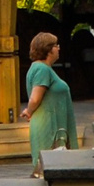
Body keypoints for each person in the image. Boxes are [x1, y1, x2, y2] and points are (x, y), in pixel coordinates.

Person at [22, 32, 75, 172]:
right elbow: (35, 98)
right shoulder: (42, 69)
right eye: (56, 45)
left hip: (52, 125)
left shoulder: (43, 68)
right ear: (48, 49)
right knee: (51, 167)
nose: (59, 48)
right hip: (49, 127)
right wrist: (29, 111)